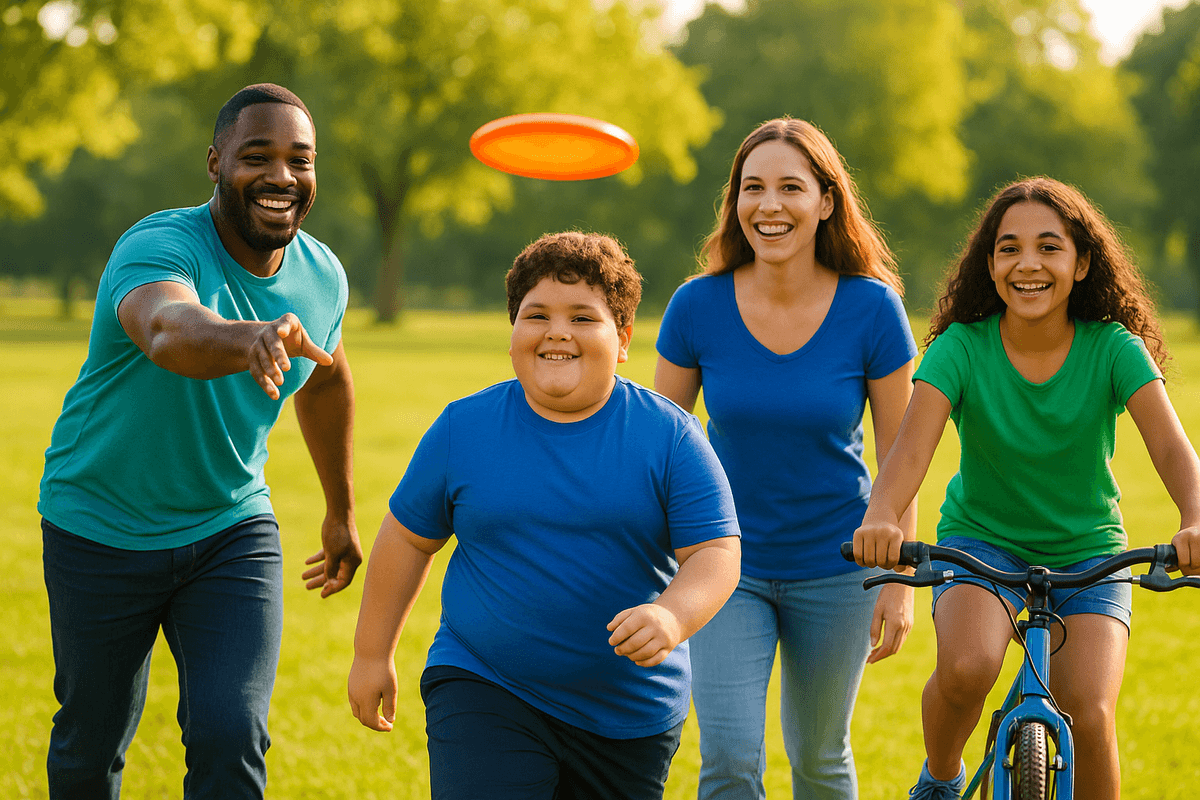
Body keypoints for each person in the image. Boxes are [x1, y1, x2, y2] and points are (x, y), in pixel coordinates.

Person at [38, 83, 362, 799]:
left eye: (300, 160)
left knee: (230, 730)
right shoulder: (158, 244)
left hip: (228, 527)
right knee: (91, 741)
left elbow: (330, 378)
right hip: (99, 523)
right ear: (215, 164)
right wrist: (247, 338)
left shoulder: (323, 275)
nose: (281, 176)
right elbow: (165, 330)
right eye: (257, 156)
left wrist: (340, 510)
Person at [348, 231, 742, 800]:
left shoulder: (670, 436)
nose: (558, 331)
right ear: (512, 335)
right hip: (483, 681)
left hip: (629, 713)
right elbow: (407, 540)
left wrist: (672, 617)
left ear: (624, 338)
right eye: (537, 315)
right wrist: (371, 653)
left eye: (584, 317)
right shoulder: (465, 428)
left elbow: (716, 553)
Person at [852, 176, 1200, 800]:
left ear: (1081, 262)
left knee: (1088, 709)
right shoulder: (961, 348)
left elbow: (1174, 449)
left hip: (1090, 549)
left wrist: (1196, 516)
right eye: (1009, 248)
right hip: (982, 543)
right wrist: (881, 513)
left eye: (1049, 247)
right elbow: (909, 453)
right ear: (990, 264)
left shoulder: (1112, 349)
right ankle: (941, 776)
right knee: (967, 667)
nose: (1028, 264)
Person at [654, 117, 919, 799]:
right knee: (731, 762)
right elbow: (663, 443)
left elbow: (902, 451)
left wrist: (898, 577)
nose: (769, 206)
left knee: (821, 759)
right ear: (735, 201)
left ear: (826, 201)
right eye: (753, 188)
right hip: (722, 565)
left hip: (839, 570)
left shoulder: (872, 308)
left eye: (791, 188)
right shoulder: (696, 305)